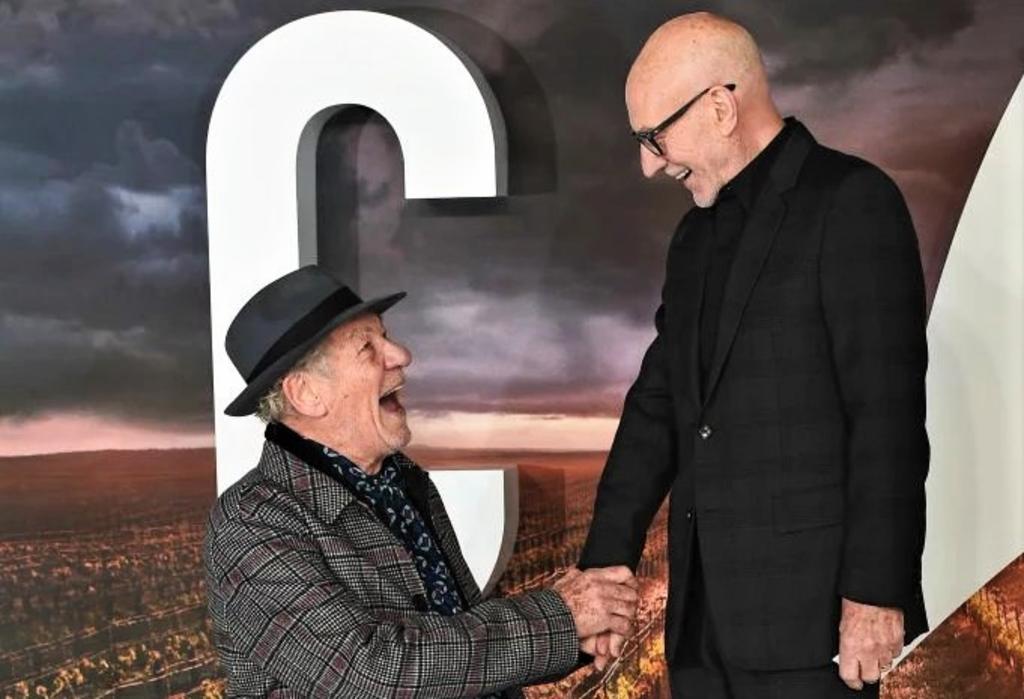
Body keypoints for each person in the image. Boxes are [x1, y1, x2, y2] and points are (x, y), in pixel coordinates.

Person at [578, 12, 930, 698]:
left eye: (654, 137)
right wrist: (605, 560)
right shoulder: (692, 238)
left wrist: (874, 595)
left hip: (816, 627)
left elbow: (886, 418)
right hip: (701, 626)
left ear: (719, 106)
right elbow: (659, 404)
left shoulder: (852, 202)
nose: (649, 164)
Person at [205, 265, 638, 698]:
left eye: (386, 336)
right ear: (306, 394)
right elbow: (370, 673)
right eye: (367, 347)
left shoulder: (403, 480)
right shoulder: (248, 524)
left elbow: (461, 638)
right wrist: (561, 618)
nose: (401, 354)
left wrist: (577, 636)